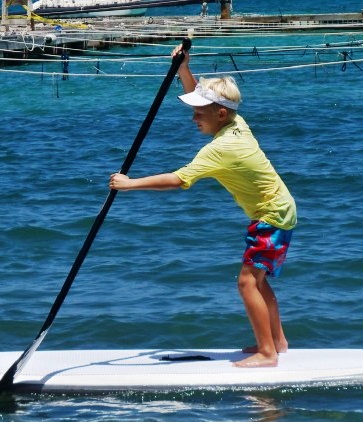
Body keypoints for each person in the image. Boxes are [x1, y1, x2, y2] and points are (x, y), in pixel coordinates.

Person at [109, 44, 297, 368]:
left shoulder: (220, 149)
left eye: (199, 112)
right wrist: (184, 69)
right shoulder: (238, 124)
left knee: (247, 282)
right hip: (280, 211)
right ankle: (277, 342)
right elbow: (198, 93)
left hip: (272, 216)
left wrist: (130, 184)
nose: (194, 117)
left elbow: (178, 179)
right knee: (258, 280)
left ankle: (267, 354)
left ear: (219, 114)